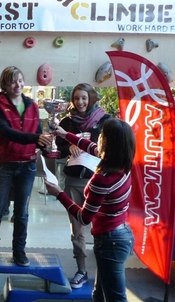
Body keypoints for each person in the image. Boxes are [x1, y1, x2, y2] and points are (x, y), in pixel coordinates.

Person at [45, 118, 136, 302]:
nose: (99, 137)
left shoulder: (102, 180)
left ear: (108, 143)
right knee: (99, 295)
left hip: (111, 242)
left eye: (102, 135)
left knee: (115, 298)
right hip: (120, 235)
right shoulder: (123, 163)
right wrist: (65, 135)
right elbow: (91, 147)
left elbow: (84, 218)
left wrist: (59, 193)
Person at [0, 66, 51, 267]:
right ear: (4, 85)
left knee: (22, 212)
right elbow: (6, 132)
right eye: (12, 81)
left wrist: (46, 144)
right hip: (3, 166)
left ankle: (19, 251)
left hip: (27, 166)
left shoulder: (32, 105)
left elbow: (36, 133)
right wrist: (35, 138)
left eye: (20, 80)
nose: (17, 84)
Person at [55, 83, 111, 288]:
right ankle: (81, 270)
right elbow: (57, 151)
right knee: (77, 229)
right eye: (76, 98)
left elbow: (111, 148)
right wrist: (68, 146)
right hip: (73, 181)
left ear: (91, 98)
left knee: (100, 229)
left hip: (98, 181)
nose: (80, 102)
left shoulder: (106, 121)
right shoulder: (65, 122)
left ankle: (104, 273)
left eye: (84, 98)